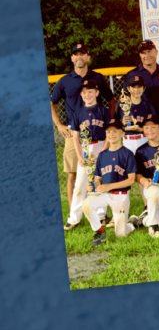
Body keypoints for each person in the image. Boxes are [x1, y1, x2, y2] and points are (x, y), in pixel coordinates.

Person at [50, 42, 115, 214]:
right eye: (75, 54)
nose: (79, 57)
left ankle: (101, 211)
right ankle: (74, 212)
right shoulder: (65, 80)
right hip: (75, 134)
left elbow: (112, 100)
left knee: (100, 173)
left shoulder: (98, 78)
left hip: (97, 135)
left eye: (82, 53)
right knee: (73, 174)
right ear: (72, 58)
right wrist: (59, 124)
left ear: (88, 57)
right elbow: (51, 102)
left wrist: (110, 124)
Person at [81, 119, 139, 247]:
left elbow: (131, 180)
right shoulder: (102, 155)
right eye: (108, 132)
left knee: (121, 234)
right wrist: (93, 184)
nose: (111, 134)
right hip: (104, 194)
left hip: (120, 195)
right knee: (86, 205)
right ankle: (100, 232)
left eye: (115, 131)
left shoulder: (127, 154)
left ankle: (132, 222)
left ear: (123, 134)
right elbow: (99, 178)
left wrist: (109, 186)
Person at [64, 79, 112, 231]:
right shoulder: (77, 112)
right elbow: (75, 137)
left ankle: (101, 214)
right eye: (84, 92)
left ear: (97, 93)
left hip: (100, 146)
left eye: (90, 91)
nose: (87, 95)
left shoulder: (103, 110)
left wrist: (104, 152)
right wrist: (79, 156)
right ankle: (74, 217)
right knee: (79, 185)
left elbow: (109, 134)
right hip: (84, 149)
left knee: (98, 182)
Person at [124, 40, 159, 115]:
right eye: (143, 53)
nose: (147, 56)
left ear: (156, 52)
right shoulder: (132, 74)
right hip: (142, 118)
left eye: (149, 51)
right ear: (140, 55)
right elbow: (125, 98)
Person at [117, 75, 156, 154]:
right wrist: (122, 124)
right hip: (127, 141)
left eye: (139, 87)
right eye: (133, 87)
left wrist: (141, 129)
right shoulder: (122, 105)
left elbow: (155, 126)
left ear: (143, 88)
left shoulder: (148, 105)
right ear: (128, 89)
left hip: (144, 139)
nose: (136, 90)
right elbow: (114, 126)